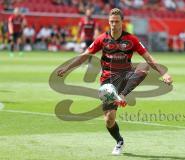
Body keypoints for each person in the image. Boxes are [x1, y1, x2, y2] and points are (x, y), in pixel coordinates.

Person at [57, 8, 173, 155]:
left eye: (116, 21)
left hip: (125, 76)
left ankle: (123, 95)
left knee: (143, 67)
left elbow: (148, 59)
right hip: (107, 81)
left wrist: (164, 73)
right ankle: (119, 141)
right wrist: (67, 67)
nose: (113, 24)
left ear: (122, 22)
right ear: (108, 22)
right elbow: (85, 55)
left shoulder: (131, 40)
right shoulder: (102, 39)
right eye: (111, 21)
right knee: (109, 120)